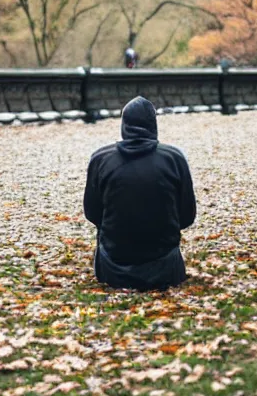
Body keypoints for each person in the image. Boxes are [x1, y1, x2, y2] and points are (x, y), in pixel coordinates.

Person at [83, 96, 196, 291]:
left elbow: (92, 213)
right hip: (165, 267)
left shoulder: (101, 159)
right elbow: (187, 216)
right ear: (153, 125)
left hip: (113, 268)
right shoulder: (173, 158)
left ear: (124, 125)